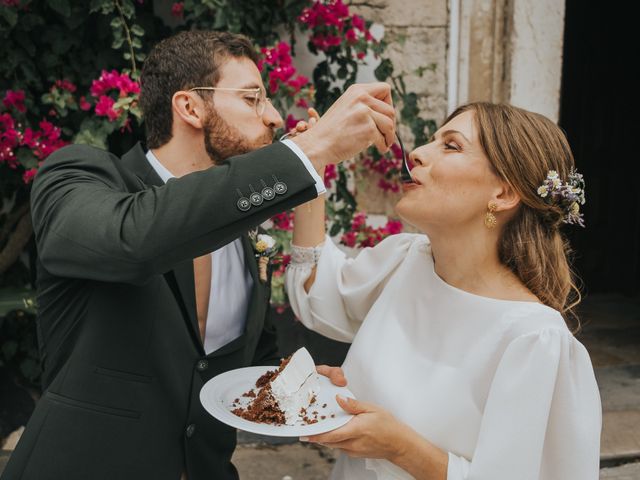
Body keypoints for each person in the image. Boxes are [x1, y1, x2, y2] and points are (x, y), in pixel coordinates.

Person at [1, 30, 395, 480]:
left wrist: (300, 386)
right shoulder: (79, 177)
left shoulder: (240, 229)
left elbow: (235, 365)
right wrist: (309, 149)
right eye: (252, 99)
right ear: (189, 107)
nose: (272, 118)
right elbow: (131, 241)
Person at [285, 102, 601, 480]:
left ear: (502, 193)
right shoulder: (405, 262)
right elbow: (318, 294)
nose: (417, 153)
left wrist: (398, 446)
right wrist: (311, 165)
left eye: (451, 145)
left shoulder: (535, 340)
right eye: (432, 139)